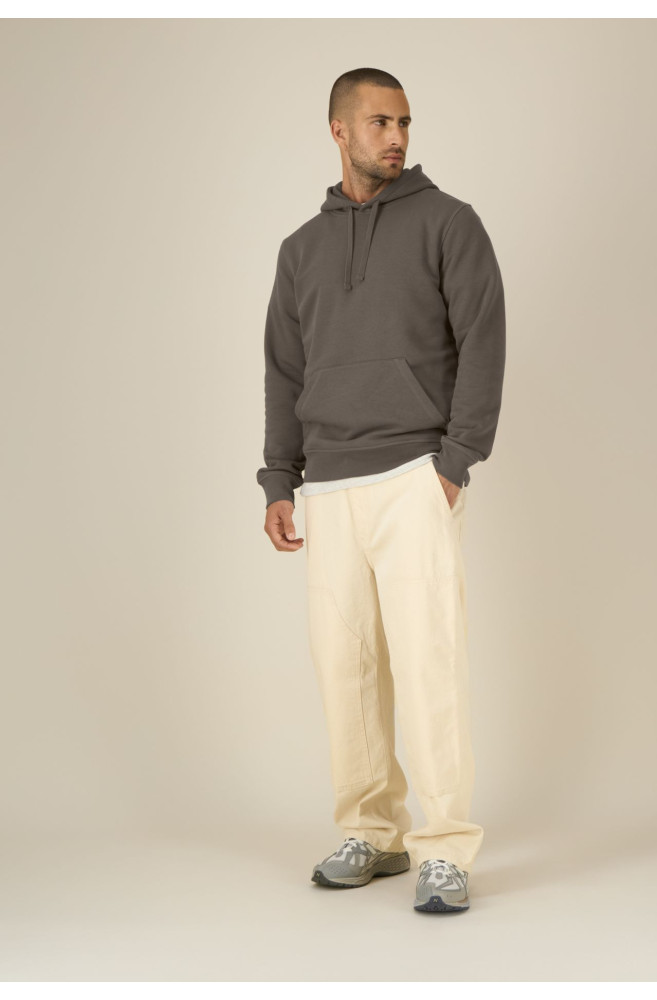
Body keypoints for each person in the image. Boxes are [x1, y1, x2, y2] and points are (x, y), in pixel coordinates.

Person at [256, 67, 506, 913]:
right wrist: (279, 478)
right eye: (378, 123)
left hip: (412, 475)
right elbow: (284, 371)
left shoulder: (448, 223)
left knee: (427, 662)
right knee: (346, 669)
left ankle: (444, 846)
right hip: (327, 485)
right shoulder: (300, 249)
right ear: (339, 130)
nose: (395, 137)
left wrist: (454, 460)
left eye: (403, 122)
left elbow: (482, 341)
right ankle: (372, 831)